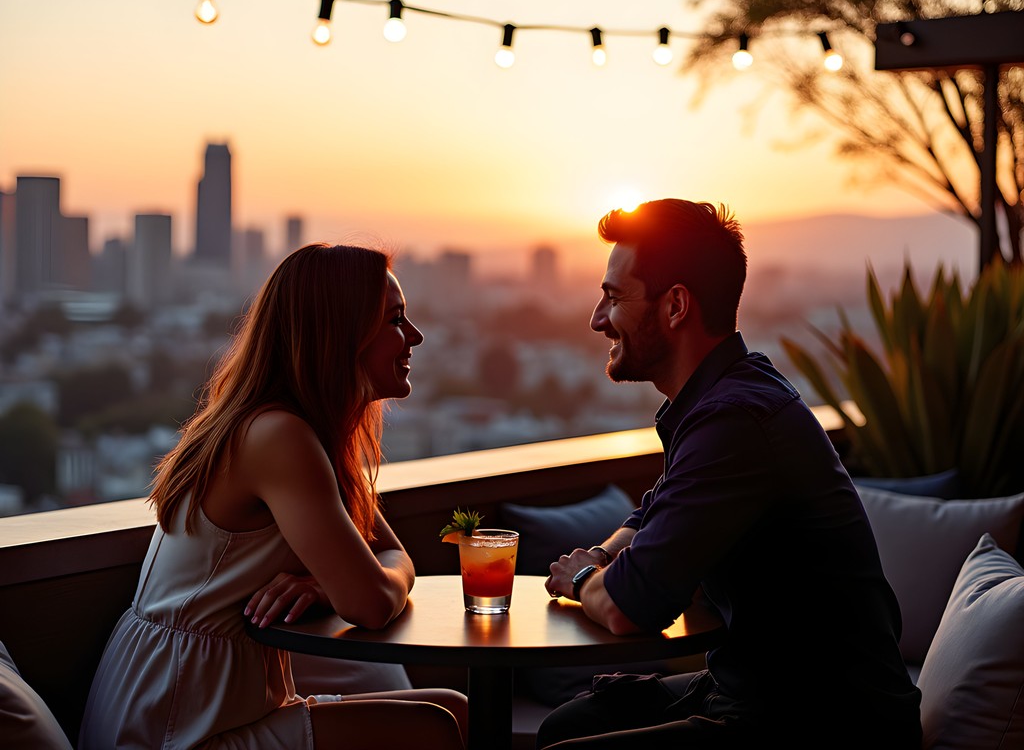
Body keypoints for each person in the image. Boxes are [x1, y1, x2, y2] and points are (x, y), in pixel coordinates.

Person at [538, 200, 922, 749]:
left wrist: (580, 581)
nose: (598, 319)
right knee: (567, 725)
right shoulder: (728, 398)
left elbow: (630, 608)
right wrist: (601, 559)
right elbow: (650, 514)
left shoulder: (735, 420)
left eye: (614, 297)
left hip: (824, 718)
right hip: (758, 690)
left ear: (675, 306)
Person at [79, 243, 468, 750]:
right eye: (396, 320)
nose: (414, 336)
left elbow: (391, 558)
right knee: (435, 728)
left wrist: (328, 585)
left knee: (458, 711)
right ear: (340, 335)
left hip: (194, 696)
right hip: (174, 722)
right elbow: (372, 601)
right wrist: (346, 586)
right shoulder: (279, 437)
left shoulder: (291, 430)